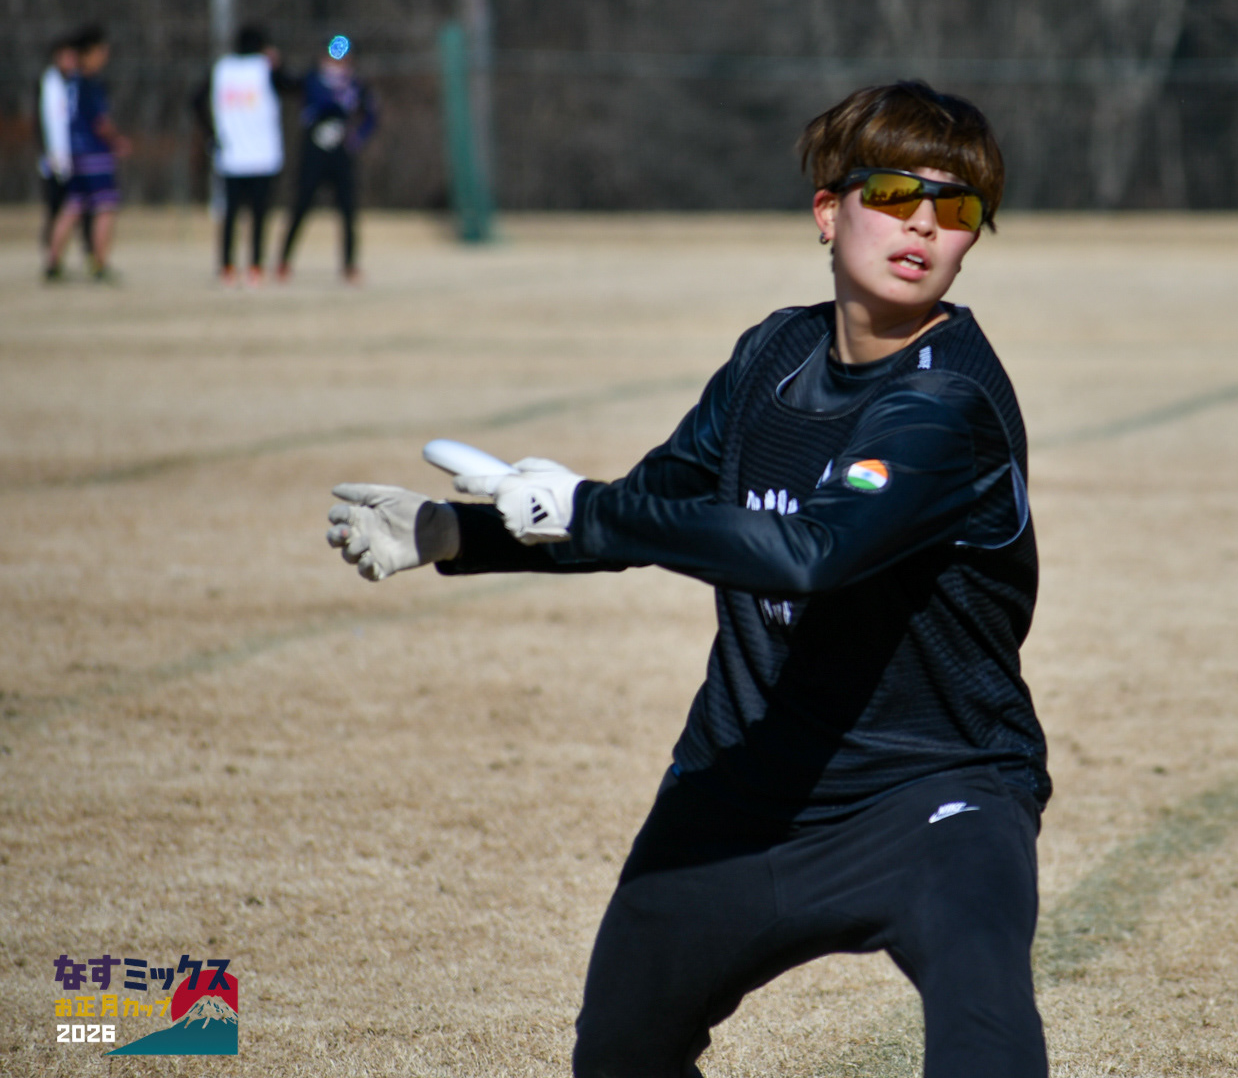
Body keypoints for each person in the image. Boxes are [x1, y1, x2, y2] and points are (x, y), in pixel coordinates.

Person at [323, 80, 1050, 1078]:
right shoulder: (772, 355)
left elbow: (815, 551)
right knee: (621, 1054)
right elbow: (651, 504)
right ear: (828, 210)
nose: (924, 222)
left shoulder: (946, 401)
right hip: (745, 787)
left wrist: (585, 506)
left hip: (934, 791)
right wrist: (459, 533)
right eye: (893, 193)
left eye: (957, 206)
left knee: (986, 1040)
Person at [195, 24, 296, 286]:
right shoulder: (264, 68)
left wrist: (211, 134)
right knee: (259, 214)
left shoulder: (222, 69)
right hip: (263, 154)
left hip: (231, 153)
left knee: (230, 214)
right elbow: (293, 86)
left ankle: (226, 266)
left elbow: (195, 100)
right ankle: (255, 266)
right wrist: (278, 64)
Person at [277, 35, 379, 284]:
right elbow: (285, 84)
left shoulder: (354, 85)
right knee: (302, 203)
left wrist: (357, 138)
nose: (338, 62)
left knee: (347, 207)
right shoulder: (312, 80)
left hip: (341, 151)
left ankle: (349, 264)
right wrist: (275, 66)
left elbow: (371, 115)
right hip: (313, 149)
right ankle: (284, 261)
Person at [44, 25, 127, 283]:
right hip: (94, 153)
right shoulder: (90, 83)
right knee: (106, 206)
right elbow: (100, 122)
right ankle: (99, 264)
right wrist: (117, 141)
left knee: (74, 205)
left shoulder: (72, 81)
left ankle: (53, 263)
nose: (104, 56)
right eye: (101, 51)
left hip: (76, 152)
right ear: (89, 53)